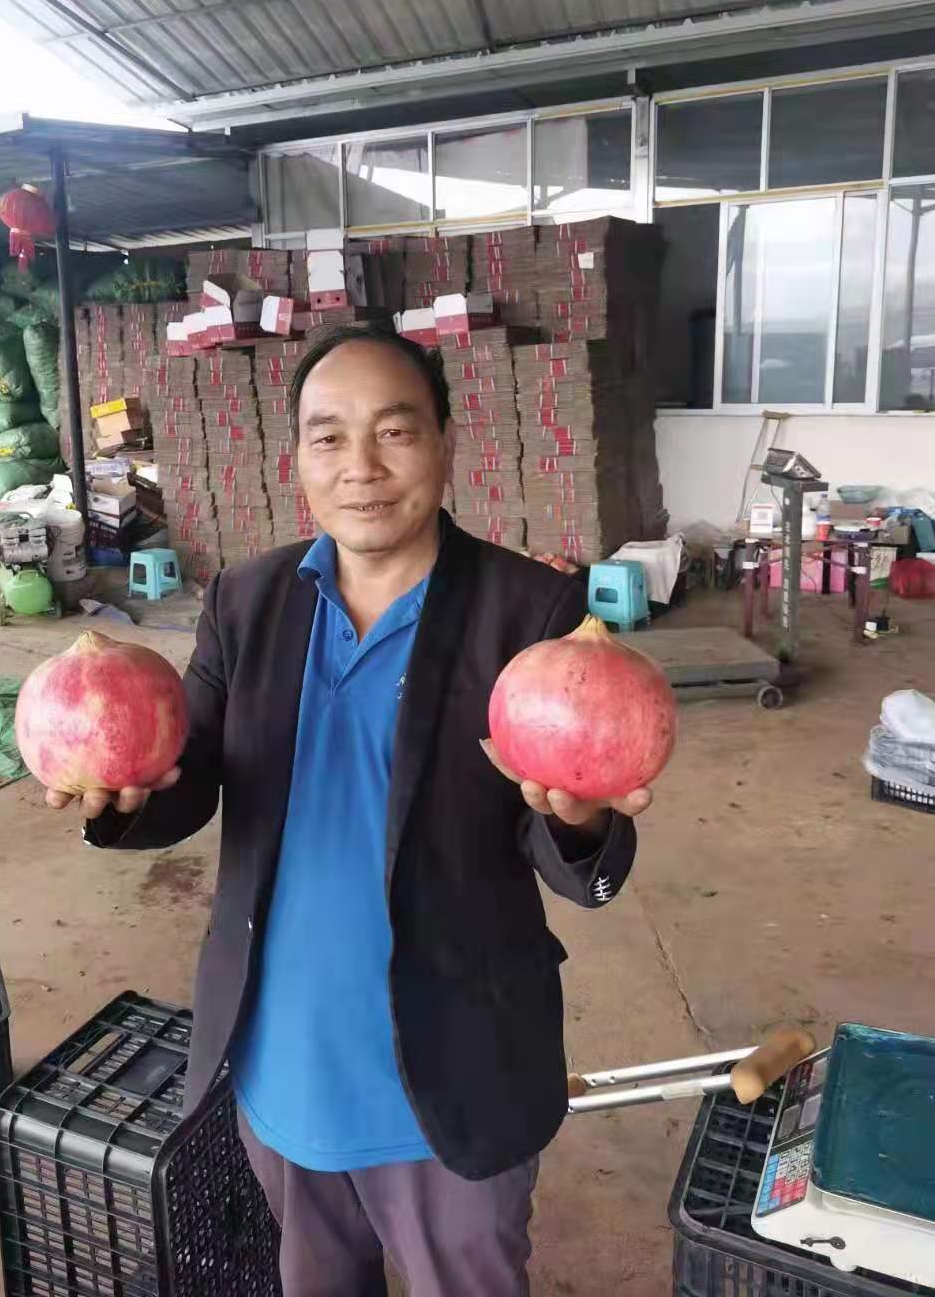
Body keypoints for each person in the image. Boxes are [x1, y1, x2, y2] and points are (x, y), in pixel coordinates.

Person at [46, 328, 650, 1297]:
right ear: (298, 457)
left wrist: (578, 820)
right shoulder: (247, 599)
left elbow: (560, 839)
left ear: (444, 442)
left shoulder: (532, 611)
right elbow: (187, 776)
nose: (360, 468)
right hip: (283, 1061)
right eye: (328, 438)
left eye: (394, 432)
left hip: (452, 1073)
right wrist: (119, 799)